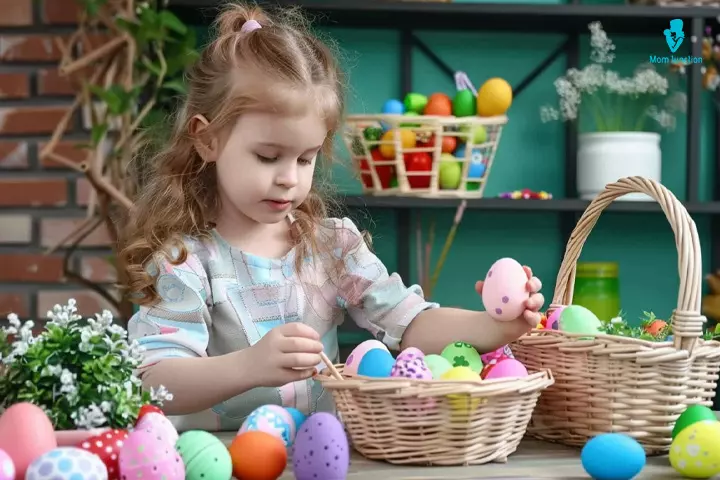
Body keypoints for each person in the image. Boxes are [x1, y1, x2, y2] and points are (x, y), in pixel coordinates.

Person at [119, 2, 544, 431]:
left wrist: (497, 327)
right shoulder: (186, 262)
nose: (289, 178)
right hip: (223, 463)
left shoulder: (331, 247)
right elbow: (151, 379)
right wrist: (250, 365)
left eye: (306, 159)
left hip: (322, 462)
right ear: (207, 140)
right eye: (268, 156)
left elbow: (411, 322)